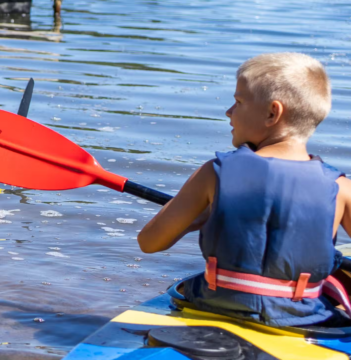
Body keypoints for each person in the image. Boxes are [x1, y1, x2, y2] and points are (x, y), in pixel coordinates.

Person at [137, 53, 351, 327]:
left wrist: (194, 220)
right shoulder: (341, 189)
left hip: (212, 306)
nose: (228, 111)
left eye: (238, 102)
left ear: (273, 113)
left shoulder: (214, 172)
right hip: (302, 320)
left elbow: (149, 243)